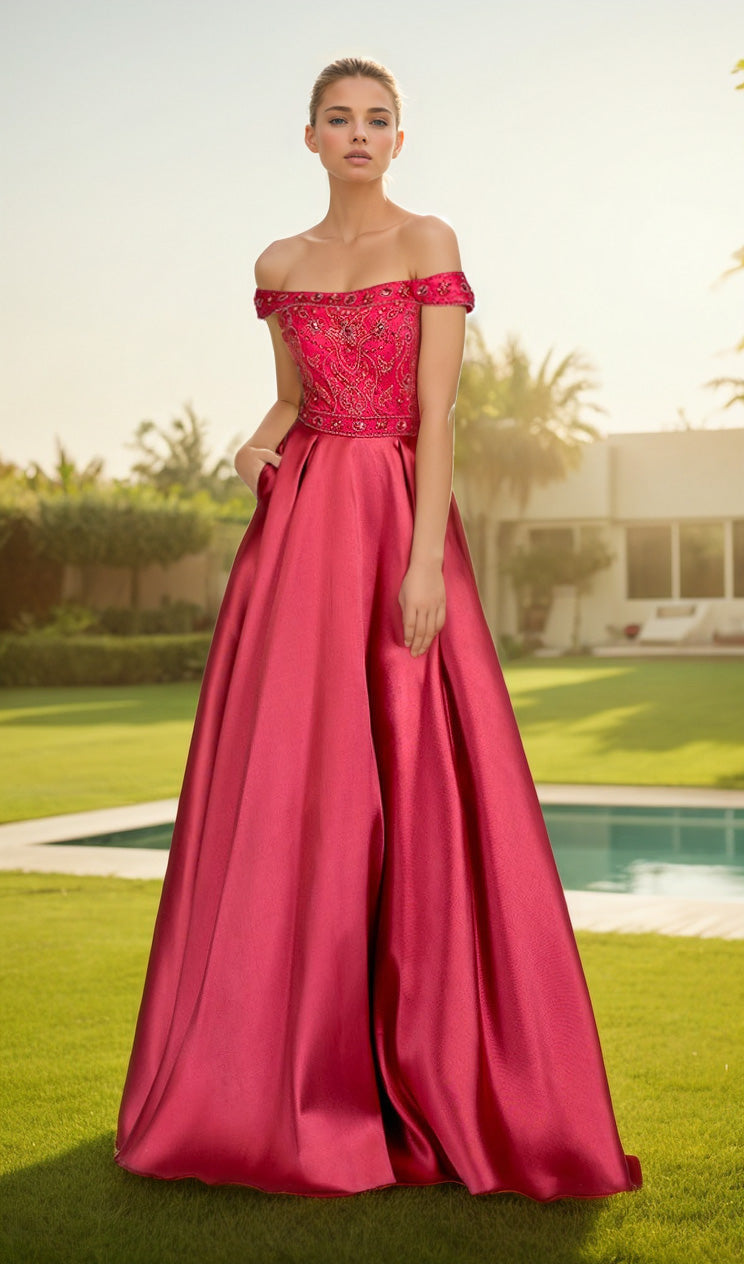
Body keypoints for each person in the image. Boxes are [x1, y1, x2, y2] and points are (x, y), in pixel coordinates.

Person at [114, 55, 642, 1202]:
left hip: (392, 519)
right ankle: (266, 1074)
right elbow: (293, 400)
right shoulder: (278, 264)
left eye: (379, 120)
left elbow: (436, 414)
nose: (361, 135)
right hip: (298, 538)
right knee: (297, 787)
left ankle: (430, 1073)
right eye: (341, 120)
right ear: (309, 138)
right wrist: (257, 447)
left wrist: (422, 563)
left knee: (412, 780)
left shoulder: (429, 244)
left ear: (400, 140)